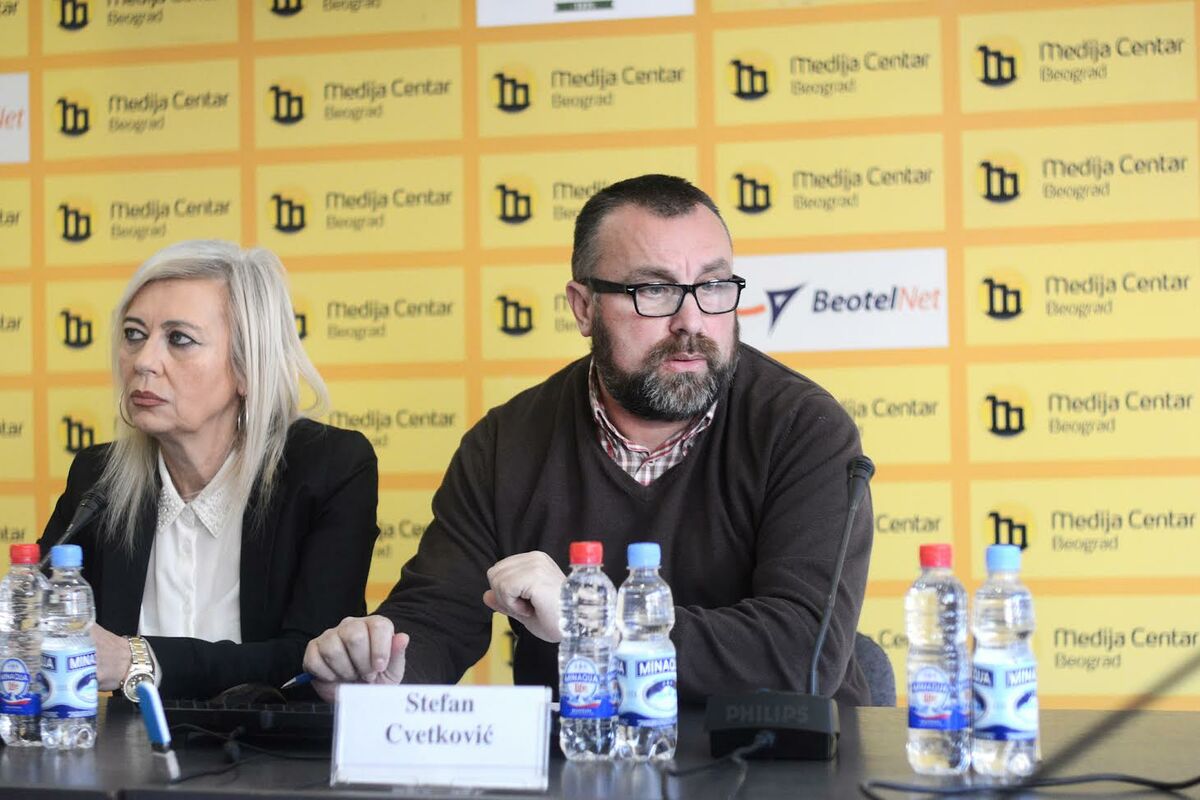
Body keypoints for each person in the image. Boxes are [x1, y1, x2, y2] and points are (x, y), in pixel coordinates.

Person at [304, 174, 873, 705]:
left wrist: (592, 620)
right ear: (583, 308)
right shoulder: (504, 444)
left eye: (713, 286)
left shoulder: (803, 428)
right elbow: (437, 616)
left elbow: (804, 650)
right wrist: (379, 669)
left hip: (778, 757)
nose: (692, 321)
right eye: (654, 290)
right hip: (579, 752)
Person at [40, 240, 379, 700]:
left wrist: (135, 659)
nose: (144, 361)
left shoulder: (327, 469)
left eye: (179, 339)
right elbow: (37, 625)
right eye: (134, 334)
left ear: (246, 367)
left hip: (275, 742)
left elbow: (311, 660)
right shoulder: (98, 477)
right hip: (127, 744)